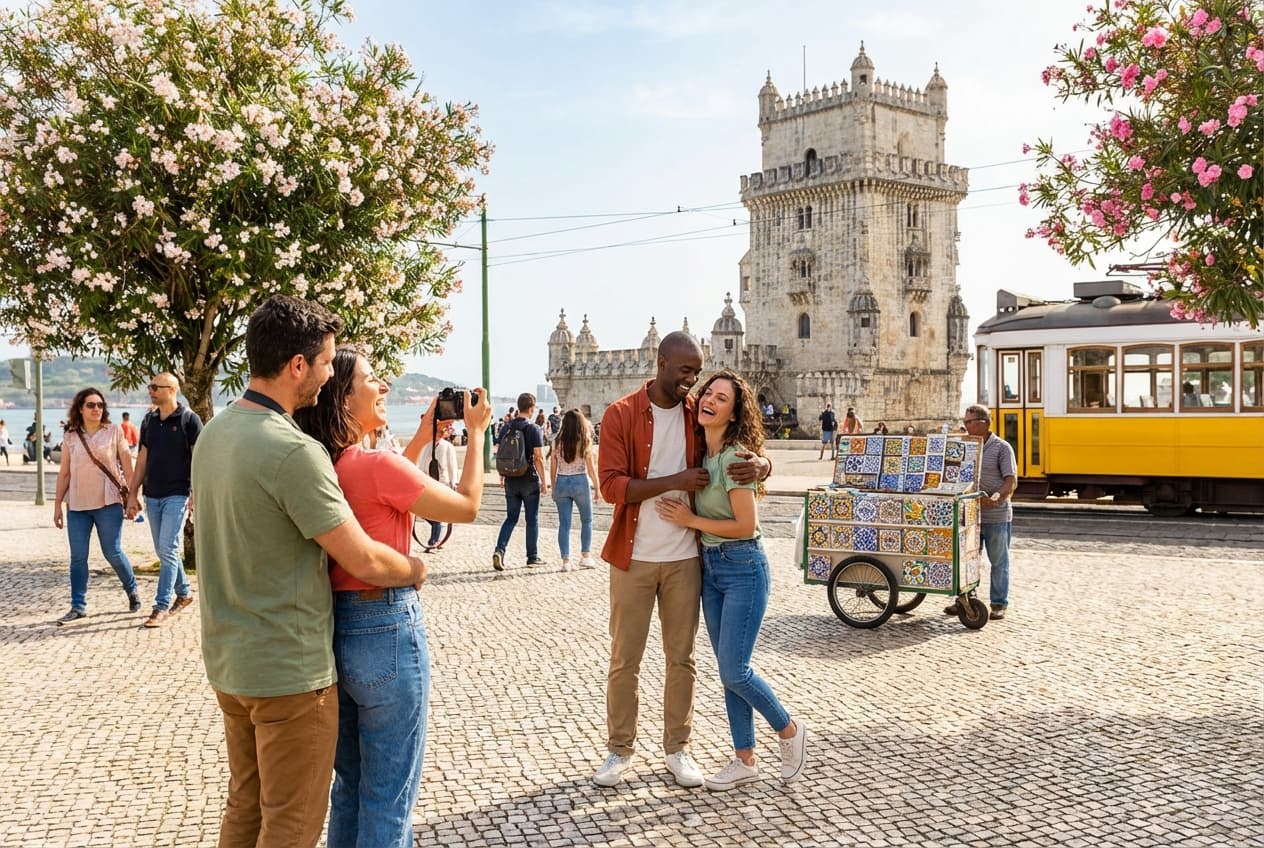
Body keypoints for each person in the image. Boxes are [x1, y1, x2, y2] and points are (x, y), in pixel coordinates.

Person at [191, 294, 427, 848]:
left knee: (245, 809)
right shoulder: (293, 450)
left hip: (230, 663)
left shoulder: (214, 433)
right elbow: (363, 558)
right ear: (297, 365)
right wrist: (415, 568)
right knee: (291, 827)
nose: (328, 374)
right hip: (289, 674)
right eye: (324, 362)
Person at [295, 348, 491, 848]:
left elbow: (378, 489)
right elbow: (468, 505)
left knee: (350, 790)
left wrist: (423, 436)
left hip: (331, 630)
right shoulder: (376, 465)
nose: (383, 386)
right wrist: (477, 435)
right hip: (384, 625)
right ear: (343, 398)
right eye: (371, 379)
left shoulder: (321, 466)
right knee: (389, 798)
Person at [593, 331, 771, 789]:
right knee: (625, 659)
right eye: (685, 372)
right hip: (633, 556)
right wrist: (676, 480)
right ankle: (619, 750)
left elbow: (739, 445)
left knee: (682, 659)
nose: (692, 382)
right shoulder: (621, 414)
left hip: (687, 559)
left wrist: (764, 466)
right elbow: (611, 487)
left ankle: (678, 748)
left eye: (697, 373)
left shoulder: (697, 414)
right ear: (661, 363)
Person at [655, 370, 807, 790]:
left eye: (722, 398)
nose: (709, 400)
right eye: (708, 393)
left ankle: (789, 730)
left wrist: (689, 520)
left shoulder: (735, 460)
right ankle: (745, 760)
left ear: (735, 413)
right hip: (713, 570)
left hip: (743, 568)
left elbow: (745, 526)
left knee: (736, 671)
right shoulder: (703, 454)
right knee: (728, 670)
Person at [52, 388, 141, 624]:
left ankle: (131, 588)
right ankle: (78, 606)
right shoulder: (71, 436)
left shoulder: (114, 431)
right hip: (77, 504)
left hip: (108, 502)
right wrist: (57, 504)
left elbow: (128, 467)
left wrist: (133, 497)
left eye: (100, 405)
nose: (96, 409)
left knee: (112, 552)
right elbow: (64, 473)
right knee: (78, 557)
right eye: (91, 405)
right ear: (80, 409)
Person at [125, 373, 203, 627]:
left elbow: (200, 459)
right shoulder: (149, 420)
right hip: (152, 494)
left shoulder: (189, 420)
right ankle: (185, 593)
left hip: (177, 494)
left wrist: (195, 493)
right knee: (163, 549)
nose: (151, 391)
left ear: (171, 389)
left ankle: (161, 606)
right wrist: (133, 493)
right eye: (150, 386)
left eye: (155, 387)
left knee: (168, 549)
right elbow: (142, 460)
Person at [947, 405, 1017, 622]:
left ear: (983, 423)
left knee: (998, 562)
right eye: (965, 421)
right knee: (967, 560)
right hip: (969, 517)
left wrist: (995, 498)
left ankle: (998, 603)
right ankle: (966, 600)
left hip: (996, 516)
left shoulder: (1002, 448)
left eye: (969, 422)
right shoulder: (964, 446)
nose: (965, 425)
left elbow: (1010, 480)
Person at [492, 392, 549, 571]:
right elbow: (538, 457)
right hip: (529, 478)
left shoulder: (506, 427)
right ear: (531, 409)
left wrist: (502, 475)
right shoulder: (534, 429)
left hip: (510, 479)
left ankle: (499, 550)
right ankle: (532, 557)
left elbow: (502, 453)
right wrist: (544, 481)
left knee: (511, 518)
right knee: (532, 519)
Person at [550, 408, 601, 572]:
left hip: (562, 481)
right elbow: (591, 468)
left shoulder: (556, 441)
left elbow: (553, 466)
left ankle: (566, 561)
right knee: (587, 520)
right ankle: (585, 556)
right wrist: (597, 487)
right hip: (580, 481)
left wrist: (553, 486)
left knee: (564, 524)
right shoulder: (584, 440)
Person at [413, 419, 459, 552]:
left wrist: (453, 484)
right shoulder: (427, 446)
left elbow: (452, 467)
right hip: (428, 485)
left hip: (443, 484)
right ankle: (437, 538)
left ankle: (433, 541)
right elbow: (422, 465)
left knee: (437, 515)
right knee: (425, 513)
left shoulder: (447, 447)